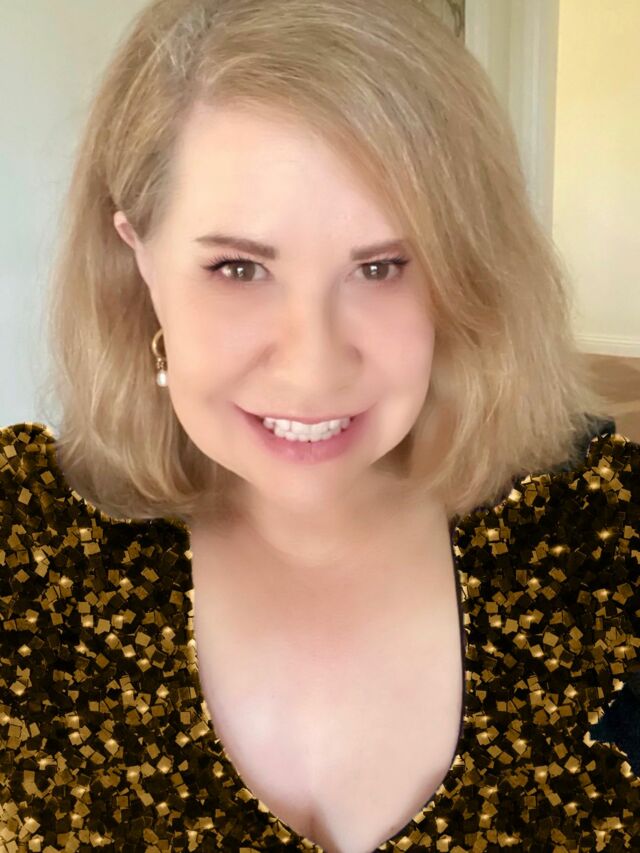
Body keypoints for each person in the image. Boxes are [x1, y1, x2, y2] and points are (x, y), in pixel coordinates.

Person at [1, 0, 638, 851]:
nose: (313, 368)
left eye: (382, 266)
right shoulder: (21, 544)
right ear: (139, 254)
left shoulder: (609, 538)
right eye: (239, 268)